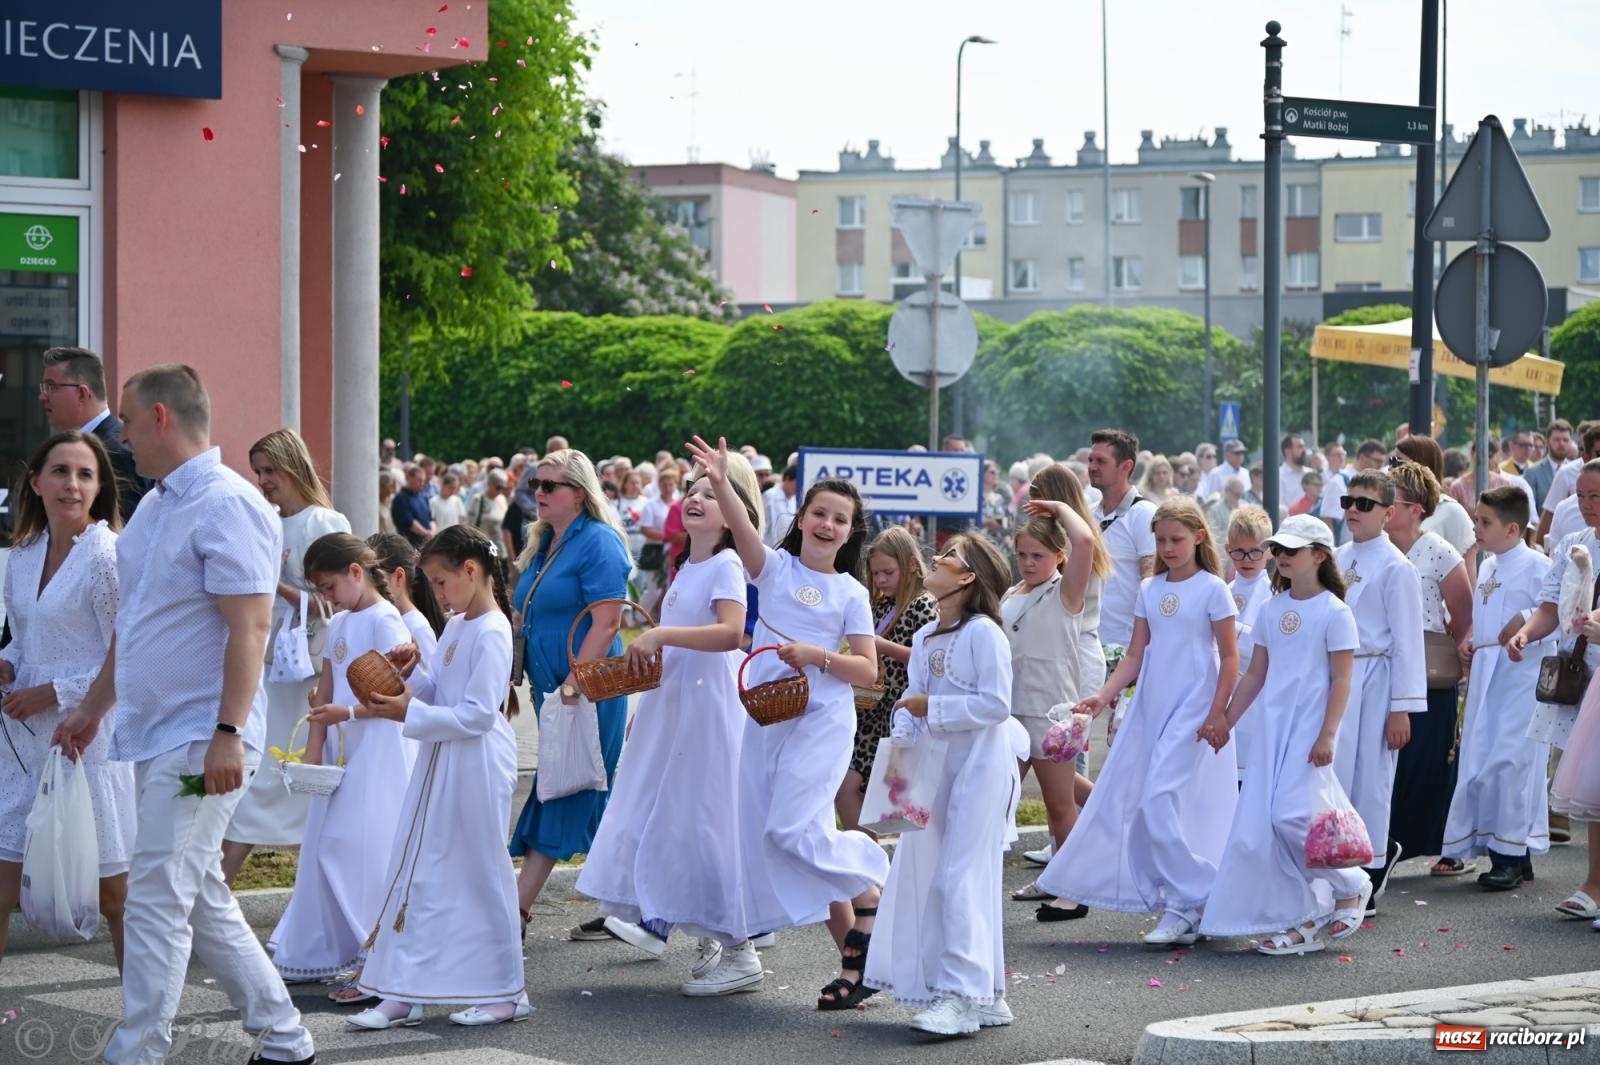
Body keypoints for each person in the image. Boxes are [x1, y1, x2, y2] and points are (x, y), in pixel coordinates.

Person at [52, 363, 315, 1065]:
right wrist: (92, 707)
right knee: (197, 895)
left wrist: (228, 733)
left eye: (130, 423)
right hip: (164, 732)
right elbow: (137, 627)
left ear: (162, 417)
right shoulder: (162, 504)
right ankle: (287, 1036)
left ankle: (137, 1050)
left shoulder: (229, 504)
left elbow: (250, 627)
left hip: (204, 738)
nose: (124, 438)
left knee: (157, 897)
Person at [684, 435, 888, 1013]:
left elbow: (866, 669)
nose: (827, 524)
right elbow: (740, 527)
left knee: (792, 832)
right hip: (767, 717)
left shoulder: (851, 592)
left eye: (840, 519)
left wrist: (816, 655)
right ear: (800, 519)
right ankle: (856, 962)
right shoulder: (770, 568)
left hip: (822, 722)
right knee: (787, 842)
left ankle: (872, 874)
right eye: (819, 513)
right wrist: (721, 479)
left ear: (851, 532)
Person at [576, 459, 764, 993]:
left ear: (732, 515)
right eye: (692, 491)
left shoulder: (727, 564)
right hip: (674, 704)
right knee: (671, 816)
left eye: (711, 494)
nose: (697, 499)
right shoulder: (686, 567)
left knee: (706, 819)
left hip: (707, 709)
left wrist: (659, 637)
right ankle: (699, 927)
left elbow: (731, 633)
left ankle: (739, 948)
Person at [1036, 497, 1239, 943]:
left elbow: (1229, 659)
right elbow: (1135, 654)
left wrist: (1218, 712)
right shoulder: (1150, 589)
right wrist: (1103, 696)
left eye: (1176, 539)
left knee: (1157, 800)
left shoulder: (1213, 589)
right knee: (1148, 803)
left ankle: (1196, 894)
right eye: (1161, 540)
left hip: (1194, 709)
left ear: (1199, 538)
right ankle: (1181, 904)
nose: (1167, 547)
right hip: (1151, 705)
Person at [350, 525, 528, 1028]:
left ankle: (504, 991)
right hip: (443, 759)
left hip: (475, 764)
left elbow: (477, 713)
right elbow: (443, 694)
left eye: (443, 583)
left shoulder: (493, 630)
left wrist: (409, 712)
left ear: (471, 571)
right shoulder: (457, 626)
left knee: (480, 872)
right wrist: (414, 678)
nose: (440, 596)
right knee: (422, 868)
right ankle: (405, 989)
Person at [862, 534, 1017, 1036]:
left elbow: (996, 705)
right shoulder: (928, 635)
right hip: (933, 768)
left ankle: (961, 996)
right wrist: (905, 735)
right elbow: (912, 696)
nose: (935, 558)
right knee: (932, 875)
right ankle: (988, 993)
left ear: (968, 577)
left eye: (948, 556)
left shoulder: (983, 633)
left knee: (959, 877)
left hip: (978, 767)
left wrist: (935, 711)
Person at [1198, 514, 1371, 953]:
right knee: (1263, 827)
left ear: (1319, 554)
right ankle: (1303, 920)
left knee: (1291, 817)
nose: (1281, 557)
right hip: (1273, 730)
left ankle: (1350, 883)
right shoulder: (1272, 609)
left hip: (1310, 728)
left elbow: (1343, 679)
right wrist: (1226, 719)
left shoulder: (1336, 612)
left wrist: (1328, 734)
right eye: (1278, 549)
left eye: (1291, 550)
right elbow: (1255, 673)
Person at [0, 431, 132, 968]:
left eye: (84, 474)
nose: (71, 484)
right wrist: (8, 664)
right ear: (35, 482)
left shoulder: (107, 555)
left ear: (99, 488)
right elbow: (26, 639)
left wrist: (55, 691)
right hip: (22, 737)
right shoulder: (22, 555)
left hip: (88, 736)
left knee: (115, 898)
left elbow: (127, 649)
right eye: (60, 471)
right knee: (2, 882)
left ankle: (143, 1023)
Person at [269, 534, 418, 990]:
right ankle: (327, 945)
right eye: (320, 592)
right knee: (325, 843)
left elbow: (396, 696)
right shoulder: (338, 624)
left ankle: (372, 946)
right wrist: (315, 745)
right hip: (341, 746)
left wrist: (348, 714)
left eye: (330, 587)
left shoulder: (385, 621)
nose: (327, 599)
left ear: (356, 572)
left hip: (378, 748)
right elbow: (325, 690)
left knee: (359, 844)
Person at [508, 449, 635, 941]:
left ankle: (516, 911)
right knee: (591, 793)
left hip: (586, 690)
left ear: (579, 494)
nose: (538, 493)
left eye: (550, 486)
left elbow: (607, 622)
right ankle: (640, 907)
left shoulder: (598, 541)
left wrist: (574, 684)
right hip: (555, 691)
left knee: (565, 787)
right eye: (537, 484)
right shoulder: (546, 542)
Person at [222, 428, 351, 885]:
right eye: (257, 471)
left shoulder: (322, 522)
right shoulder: (268, 521)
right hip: (272, 660)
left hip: (308, 668)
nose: (262, 480)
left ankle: (315, 883)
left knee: (294, 768)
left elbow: (336, 601)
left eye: (269, 470)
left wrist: (270, 581)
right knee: (266, 770)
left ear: (293, 467)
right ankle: (220, 881)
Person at [1005, 468, 1109, 907]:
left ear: (1059, 557)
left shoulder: (1065, 593)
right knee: (998, 802)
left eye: (1038, 555)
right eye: (1023, 555)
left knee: (1059, 805)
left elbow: (1085, 541)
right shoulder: (1012, 592)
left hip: (1053, 714)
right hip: (1011, 713)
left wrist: (1059, 508)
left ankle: (1069, 889)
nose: (1029, 563)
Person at [1440, 487, 1552, 889]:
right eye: (1476, 519)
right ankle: (1512, 853)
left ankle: (1508, 855)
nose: (1476, 528)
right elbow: (1485, 616)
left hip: (1521, 677)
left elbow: (1552, 611)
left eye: (1484, 522)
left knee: (1511, 762)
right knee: (1484, 760)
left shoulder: (1539, 566)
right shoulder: (1487, 566)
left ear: (1513, 528)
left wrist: (1525, 619)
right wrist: (1473, 639)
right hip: (1488, 673)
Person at [1509, 458, 1600, 918]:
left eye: (1595, 496)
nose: (1586, 505)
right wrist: (1527, 632)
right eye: (1581, 496)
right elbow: (1550, 606)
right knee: (1591, 785)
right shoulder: (1571, 544)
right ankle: (1594, 884)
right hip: (1580, 672)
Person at [1334, 469, 1427, 916]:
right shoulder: (1333, 557)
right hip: (1337, 679)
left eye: (1364, 503)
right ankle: (1334, 865)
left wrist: (1401, 709)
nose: (1353, 509)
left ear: (1389, 513)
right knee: (1333, 774)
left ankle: (1369, 868)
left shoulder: (1397, 567)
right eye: (1347, 501)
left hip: (1375, 679)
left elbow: (1409, 641)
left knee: (1371, 778)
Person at [1382, 462, 1473, 877]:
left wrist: (1456, 655)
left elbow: (1463, 613)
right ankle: (1384, 840)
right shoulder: (1371, 546)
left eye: (1391, 501)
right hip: (1378, 666)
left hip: (1427, 669)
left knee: (1425, 759)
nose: (1382, 508)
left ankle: (1427, 841)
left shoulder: (1437, 550)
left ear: (1415, 509)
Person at [840, 527, 937, 834]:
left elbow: (930, 660)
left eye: (888, 572)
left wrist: (881, 646)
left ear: (910, 565)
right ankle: (868, 865)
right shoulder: (882, 603)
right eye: (876, 573)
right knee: (851, 789)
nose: (881, 580)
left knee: (872, 797)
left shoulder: (924, 604)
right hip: (871, 710)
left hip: (898, 712)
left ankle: (868, 868)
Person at [1085, 429, 1157, 756]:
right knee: (1074, 736)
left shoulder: (1144, 515)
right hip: (1088, 644)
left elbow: (1151, 579)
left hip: (1130, 647)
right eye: (1090, 460)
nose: (1092, 466)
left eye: (1101, 461)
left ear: (1125, 466)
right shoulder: (1088, 512)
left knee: (1125, 745)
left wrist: (1144, 645)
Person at [39, 346, 151, 522]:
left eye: (51, 387)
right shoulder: (96, 444)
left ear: (82, 393)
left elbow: (121, 533)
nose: (43, 396)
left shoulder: (115, 452)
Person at [1225, 506, 1274, 784]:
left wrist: (1230, 631)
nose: (1247, 559)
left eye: (1255, 551)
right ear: (1227, 549)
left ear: (1268, 551)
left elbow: (1266, 648)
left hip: (1257, 697)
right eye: (1239, 552)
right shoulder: (1223, 591)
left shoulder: (1274, 594)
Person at [367, 532, 446, 657]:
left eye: (375, 579)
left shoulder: (416, 627)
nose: (368, 588)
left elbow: (428, 675)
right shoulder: (377, 619)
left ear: (399, 577)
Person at [392, 464, 435, 548]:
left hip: (425, 542)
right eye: (419, 480)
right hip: (409, 544)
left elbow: (430, 518)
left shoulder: (423, 495)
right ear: (409, 478)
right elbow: (409, 522)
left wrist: (432, 531)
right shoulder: (400, 498)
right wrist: (425, 533)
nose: (422, 484)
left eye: (423, 481)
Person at [467, 468, 508, 549]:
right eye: (498, 487)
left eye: (503, 488)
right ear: (490, 484)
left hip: (500, 548)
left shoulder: (502, 499)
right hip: (482, 548)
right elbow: (470, 524)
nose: (500, 491)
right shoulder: (477, 499)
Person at [763, 463, 799, 548]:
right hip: (768, 548)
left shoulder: (793, 500)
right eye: (797, 483)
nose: (798, 487)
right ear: (787, 479)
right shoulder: (769, 496)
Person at [1278, 434, 1307, 512]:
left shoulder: (1309, 473)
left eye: (1304, 446)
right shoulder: (1278, 476)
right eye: (1299, 447)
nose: (1304, 450)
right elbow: (1279, 508)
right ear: (1288, 451)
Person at [377, 471, 399, 536]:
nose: (393, 491)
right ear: (381, 487)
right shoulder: (375, 505)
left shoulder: (389, 502)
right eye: (390, 486)